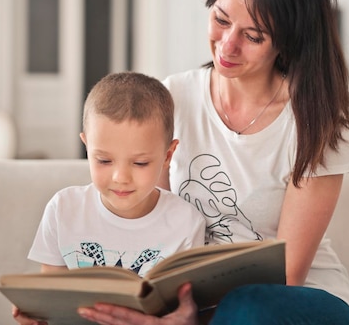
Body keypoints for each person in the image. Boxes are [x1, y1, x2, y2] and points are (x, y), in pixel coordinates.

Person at [78, 0, 349, 325]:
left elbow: (288, 275)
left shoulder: (314, 121)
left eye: (253, 36)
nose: (227, 46)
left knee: (246, 308)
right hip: (196, 303)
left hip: (300, 304)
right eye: (221, 19)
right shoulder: (173, 97)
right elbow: (146, 222)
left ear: (287, 41)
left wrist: (190, 319)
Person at [13, 72, 206, 325]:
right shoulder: (63, 209)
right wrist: (37, 317)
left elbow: (182, 312)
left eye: (140, 163)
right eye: (103, 160)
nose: (120, 177)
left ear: (168, 155)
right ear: (86, 146)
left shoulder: (186, 221)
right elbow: (53, 299)